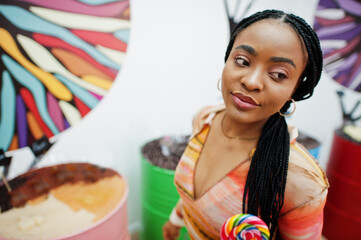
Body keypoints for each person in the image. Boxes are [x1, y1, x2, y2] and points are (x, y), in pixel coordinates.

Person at [162, 9, 329, 240]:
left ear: (295, 89)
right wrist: (176, 219)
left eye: (279, 74)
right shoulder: (205, 120)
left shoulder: (300, 179)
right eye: (242, 61)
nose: (251, 81)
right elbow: (191, 195)